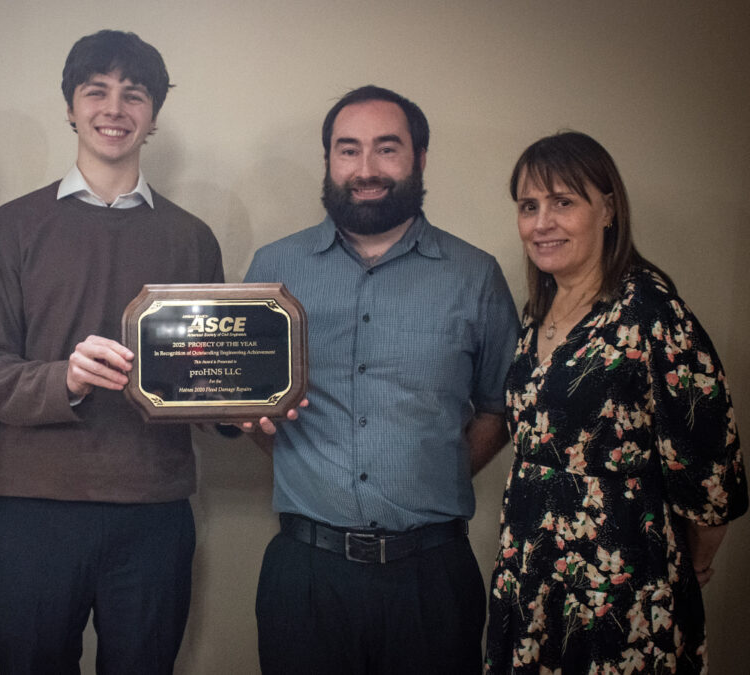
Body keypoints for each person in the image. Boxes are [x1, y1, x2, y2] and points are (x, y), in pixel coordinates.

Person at [0, 29, 223, 674]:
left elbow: (212, 374)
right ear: (70, 107)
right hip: (36, 512)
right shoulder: (14, 226)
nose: (114, 108)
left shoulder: (192, 238)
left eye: (134, 95)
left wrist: (241, 407)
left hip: (156, 514)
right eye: (95, 91)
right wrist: (65, 380)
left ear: (153, 116)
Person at [242, 85, 519, 674]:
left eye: (386, 149)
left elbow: (502, 405)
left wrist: (430, 465)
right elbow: (248, 397)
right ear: (328, 162)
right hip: (305, 576)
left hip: (433, 579)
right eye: (348, 150)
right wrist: (302, 458)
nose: (365, 169)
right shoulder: (273, 268)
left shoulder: (475, 276)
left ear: (419, 157)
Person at [484, 131, 746, 673]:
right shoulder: (539, 308)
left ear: (607, 209)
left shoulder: (651, 312)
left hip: (619, 587)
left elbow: (710, 468)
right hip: (531, 575)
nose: (541, 222)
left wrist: (691, 563)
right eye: (529, 206)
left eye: (563, 202)